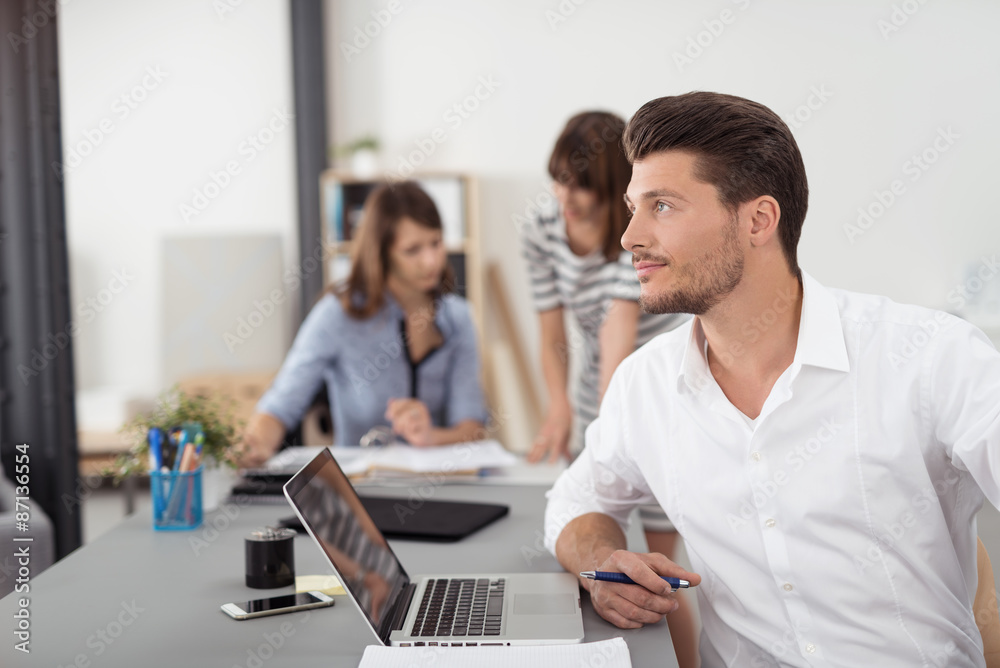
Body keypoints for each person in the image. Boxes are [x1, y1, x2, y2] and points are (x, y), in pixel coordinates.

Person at [544, 91, 1000, 667]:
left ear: (758, 219)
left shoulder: (930, 357)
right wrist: (603, 565)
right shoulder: (648, 384)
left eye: (661, 206)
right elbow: (575, 501)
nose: (629, 236)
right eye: (635, 206)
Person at [519, 111, 697, 666]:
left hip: (658, 397)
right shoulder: (542, 229)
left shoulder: (632, 238)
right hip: (596, 388)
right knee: (595, 558)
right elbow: (552, 332)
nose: (566, 196)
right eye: (559, 180)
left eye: (582, 186)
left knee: (660, 576)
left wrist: (609, 431)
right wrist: (557, 413)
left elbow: (621, 344)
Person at [239, 181, 488, 467]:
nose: (431, 261)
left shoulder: (458, 318)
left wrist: (431, 436)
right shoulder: (337, 314)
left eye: (436, 242)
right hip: (363, 489)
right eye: (412, 250)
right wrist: (255, 445)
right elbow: (282, 404)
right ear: (380, 254)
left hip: (442, 488)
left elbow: (472, 429)